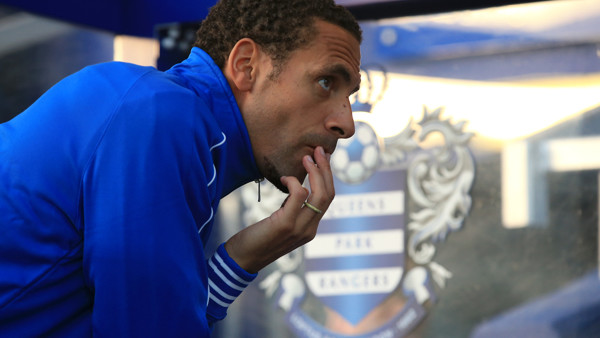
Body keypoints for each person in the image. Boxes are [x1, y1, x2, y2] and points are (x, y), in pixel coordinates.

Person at [0, 0, 362, 336]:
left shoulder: (158, 109)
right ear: (246, 66)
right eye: (325, 82)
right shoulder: (159, 115)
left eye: (349, 96)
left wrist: (241, 259)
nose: (347, 124)